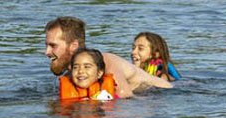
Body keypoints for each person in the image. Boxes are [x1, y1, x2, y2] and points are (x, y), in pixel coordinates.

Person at [44, 17, 172, 99]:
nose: (46, 52)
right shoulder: (72, 75)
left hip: (164, 95)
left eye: (53, 46)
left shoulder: (106, 62)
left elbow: (125, 96)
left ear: (73, 46)